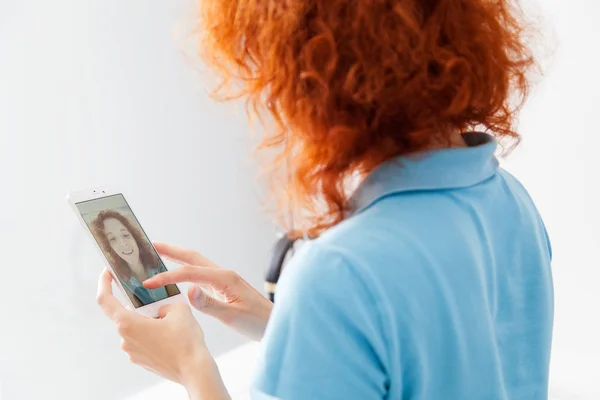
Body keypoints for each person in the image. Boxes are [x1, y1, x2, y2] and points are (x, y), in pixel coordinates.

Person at [96, 0, 553, 399]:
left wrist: (191, 367)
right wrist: (279, 323)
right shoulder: (511, 202)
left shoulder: (341, 271)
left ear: (312, 83)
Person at [92, 210, 179, 307]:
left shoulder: (159, 264)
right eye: (112, 239)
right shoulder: (123, 281)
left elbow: (177, 302)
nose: (123, 243)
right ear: (110, 247)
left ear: (135, 237)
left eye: (125, 235)